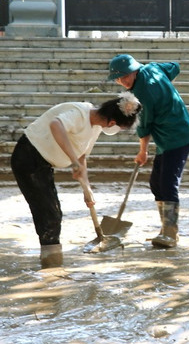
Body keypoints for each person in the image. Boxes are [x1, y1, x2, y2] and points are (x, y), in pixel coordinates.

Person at [11, 93, 142, 268]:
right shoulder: (80, 112)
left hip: (43, 164)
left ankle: (52, 263)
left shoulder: (95, 127)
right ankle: (52, 266)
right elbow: (55, 124)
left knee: (52, 212)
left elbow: (81, 156)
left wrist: (86, 188)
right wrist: (72, 160)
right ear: (112, 123)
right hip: (28, 157)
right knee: (49, 214)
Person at [108, 54, 189, 249]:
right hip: (167, 138)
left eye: (125, 76)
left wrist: (143, 151)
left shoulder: (142, 93)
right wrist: (164, 87)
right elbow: (175, 65)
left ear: (134, 71)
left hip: (178, 136)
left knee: (167, 183)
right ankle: (165, 228)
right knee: (156, 183)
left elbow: (144, 125)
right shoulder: (153, 68)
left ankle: (170, 234)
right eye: (118, 79)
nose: (123, 82)